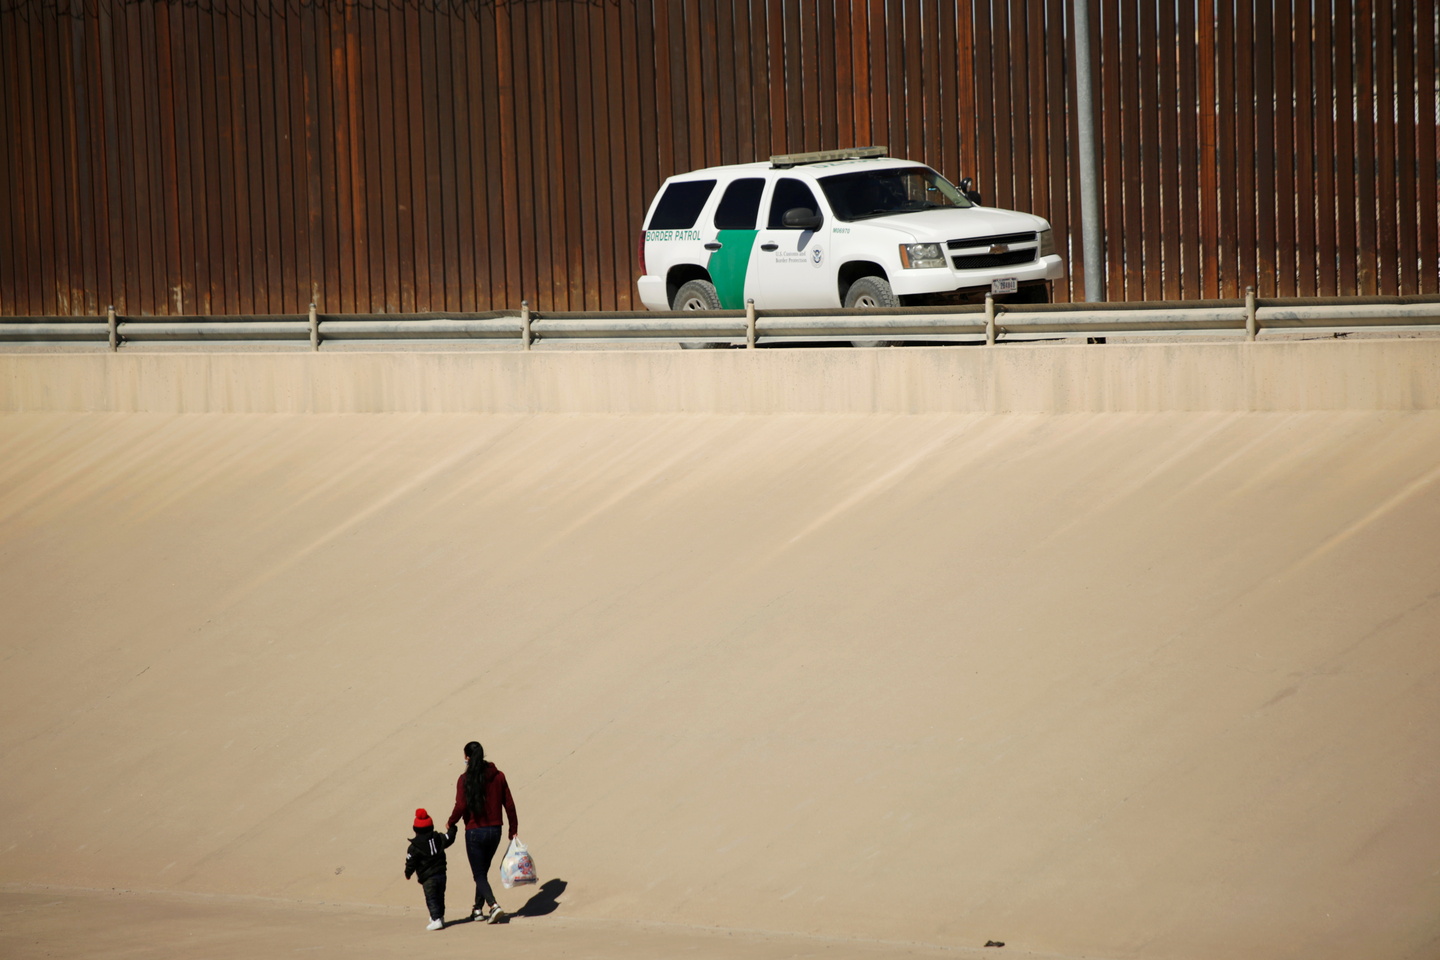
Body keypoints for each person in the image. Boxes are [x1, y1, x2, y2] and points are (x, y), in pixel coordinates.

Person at [446, 740, 518, 923]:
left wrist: (451, 822)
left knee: (478, 873)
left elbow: (461, 805)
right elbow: (509, 804)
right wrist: (513, 829)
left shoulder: (464, 779)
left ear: (467, 757)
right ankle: (477, 909)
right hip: (495, 830)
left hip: (475, 831)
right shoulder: (498, 776)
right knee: (483, 871)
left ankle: (493, 906)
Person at [403, 807, 457, 931]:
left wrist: (408, 873)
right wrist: (452, 828)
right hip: (441, 874)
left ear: (416, 829)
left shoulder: (414, 846)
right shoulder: (439, 838)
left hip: (428, 877)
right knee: (440, 896)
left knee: (431, 898)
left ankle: (436, 919)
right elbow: (450, 837)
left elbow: (410, 862)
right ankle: (440, 917)